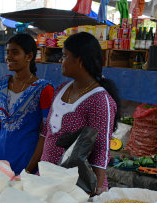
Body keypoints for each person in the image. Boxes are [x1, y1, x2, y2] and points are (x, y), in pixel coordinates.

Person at [40, 32, 119, 193]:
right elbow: (46, 133)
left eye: (65, 56)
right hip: (46, 179)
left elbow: (101, 149)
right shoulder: (62, 89)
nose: (61, 61)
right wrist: (31, 169)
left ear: (80, 61)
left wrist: (96, 190)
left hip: (76, 187)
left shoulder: (100, 100)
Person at [0, 34, 54, 174]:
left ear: (29, 56)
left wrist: (29, 170)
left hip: (28, 160)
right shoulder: (0, 86)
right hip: (0, 160)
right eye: (7, 52)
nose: (9, 57)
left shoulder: (44, 89)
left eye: (15, 52)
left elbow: (46, 133)